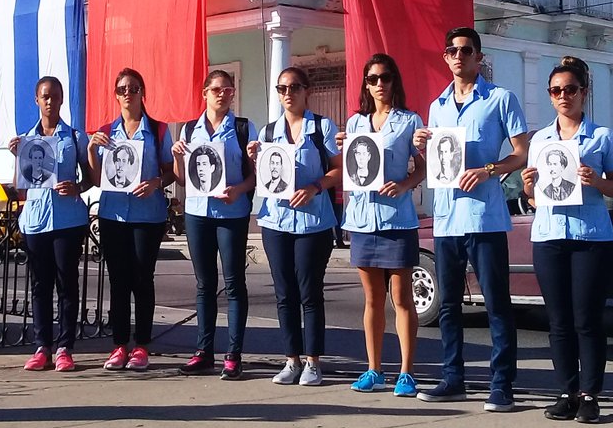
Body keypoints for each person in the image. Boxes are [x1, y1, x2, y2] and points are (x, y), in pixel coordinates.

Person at [414, 27, 529, 412]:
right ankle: (454, 378)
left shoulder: (500, 99)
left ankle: (502, 384)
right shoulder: (437, 106)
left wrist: (489, 169)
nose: (459, 56)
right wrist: (422, 147)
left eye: (466, 50)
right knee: (449, 304)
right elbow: (439, 163)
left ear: (479, 57)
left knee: (496, 303)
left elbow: (521, 153)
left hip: (484, 218)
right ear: (445, 58)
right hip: (447, 218)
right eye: (452, 51)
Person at [520, 57, 613, 424]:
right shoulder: (540, 140)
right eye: (556, 90)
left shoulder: (601, 137)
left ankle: (590, 394)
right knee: (558, 320)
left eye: (570, 89)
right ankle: (566, 391)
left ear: (584, 93)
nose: (563, 96)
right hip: (549, 235)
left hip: (590, 237)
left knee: (587, 319)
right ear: (550, 97)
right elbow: (535, 198)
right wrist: (529, 189)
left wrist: (595, 181)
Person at [337, 54, 427, 398]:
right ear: (365, 83)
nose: (379, 84)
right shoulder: (356, 124)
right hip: (362, 219)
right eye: (372, 78)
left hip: (396, 219)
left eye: (385, 78)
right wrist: (343, 148)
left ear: (394, 81)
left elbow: (422, 167)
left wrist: (404, 184)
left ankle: (407, 372)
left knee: (401, 299)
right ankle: (373, 369)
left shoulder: (409, 121)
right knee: (372, 299)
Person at [250, 65, 340, 387]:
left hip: (313, 222)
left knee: (310, 292)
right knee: (284, 293)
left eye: (295, 87)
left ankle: (313, 361)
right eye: (282, 88)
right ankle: (291, 359)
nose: (288, 93)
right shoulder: (269, 132)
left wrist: (315, 187)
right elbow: (264, 176)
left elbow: (338, 170)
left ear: (307, 91)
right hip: (276, 220)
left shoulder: (322, 128)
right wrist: (254, 158)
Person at [87, 68, 175, 373]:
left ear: (142, 93)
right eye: (123, 89)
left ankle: (141, 345)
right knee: (118, 281)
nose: (128, 93)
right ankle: (119, 344)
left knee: (142, 279)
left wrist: (155, 183)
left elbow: (170, 170)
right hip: (113, 214)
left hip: (147, 216)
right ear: (116, 94)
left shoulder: (158, 130)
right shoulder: (106, 132)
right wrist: (90, 149)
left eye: (134, 88)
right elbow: (98, 179)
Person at [172, 69, 257, 380]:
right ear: (204, 94)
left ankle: (233, 354)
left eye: (228, 89)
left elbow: (254, 176)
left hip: (231, 214)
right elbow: (183, 179)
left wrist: (238, 189)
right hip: (197, 212)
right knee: (204, 285)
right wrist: (178, 156)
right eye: (217, 89)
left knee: (234, 284)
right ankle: (203, 351)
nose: (223, 94)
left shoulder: (244, 128)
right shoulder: (189, 129)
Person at [7, 76, 92, 373]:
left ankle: (65, 347)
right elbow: (20, 187)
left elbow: (90, 177)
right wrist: (16, 156)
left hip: (67, 218)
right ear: (36, 100)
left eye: (55, 96)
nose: (50, 101)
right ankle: (42, 345)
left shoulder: (75, 138)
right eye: (45, 96)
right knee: (40, 285)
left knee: (67, 284)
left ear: (61, 99)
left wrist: (77, 188)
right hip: (35, 220)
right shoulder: (26, 139)